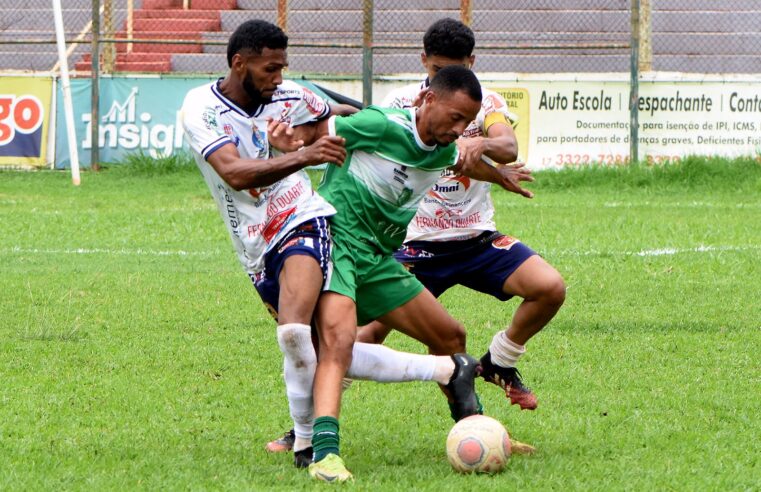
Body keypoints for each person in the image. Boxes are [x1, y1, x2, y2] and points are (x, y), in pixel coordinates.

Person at [180, 19, 481, 471]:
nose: (279, 78)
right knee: (321, 344)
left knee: (437, 337)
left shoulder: (434, 142)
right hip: (277, 239)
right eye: (270, 69)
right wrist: (296, 148)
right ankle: (316, 437)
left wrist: (501, 170)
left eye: (283, 68)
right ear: (239, 62)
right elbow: (246, 169)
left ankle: (468, 431)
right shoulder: (202, 107)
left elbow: (326, 118)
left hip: (324, 229)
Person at [306, 65, 535, 482]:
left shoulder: (444, 148)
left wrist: (499, 176)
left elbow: (460, 163)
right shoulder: (380, 125)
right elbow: (315, 133)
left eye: (468, 122)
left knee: (449, 337)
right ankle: (322, 453)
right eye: (455, 118)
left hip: (378, 258)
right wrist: (277, 157)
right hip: (337, 243)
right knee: (338, 342)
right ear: (428, 99)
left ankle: (477, 430)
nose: (460, 128)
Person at [359, 18, 567, 413]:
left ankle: (500, 362)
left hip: (476, 240)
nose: (452, 76)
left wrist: (479, 140)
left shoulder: (483, 101)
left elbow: (506, 145)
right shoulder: (401, 103)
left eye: (460, 67)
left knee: (550, 287)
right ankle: (308, 426)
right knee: (364, 334)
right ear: (424, 62)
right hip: (416, 245)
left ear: (472, 61)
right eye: (439, 70)